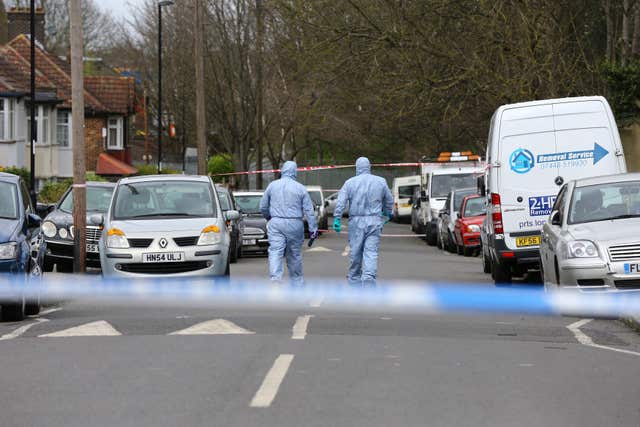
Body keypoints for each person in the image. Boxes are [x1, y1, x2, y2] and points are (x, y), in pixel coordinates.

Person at [333, 157, 393, 286]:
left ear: (357, 167)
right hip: (374, 220)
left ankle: (354, 278)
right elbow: (389, 200)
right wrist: (387, 214)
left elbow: (341, 202)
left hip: (356, 221)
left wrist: (337, 218)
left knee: (355, 251)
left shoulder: (349, 183)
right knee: (371, 251)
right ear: (369, 167)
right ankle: (368, 278)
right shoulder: (380, 182)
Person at [260, 161, 318, 285]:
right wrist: (313, 229)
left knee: (275, 250)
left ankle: (275, 278)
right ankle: (297, 281)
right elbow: (309, 210)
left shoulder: (272, 186)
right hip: (294, 223)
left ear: (283, 171)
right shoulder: (300, 188)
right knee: (294, 254)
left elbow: (263, 206)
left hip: (276, 222)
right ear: (295, 171)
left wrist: (269, 217)